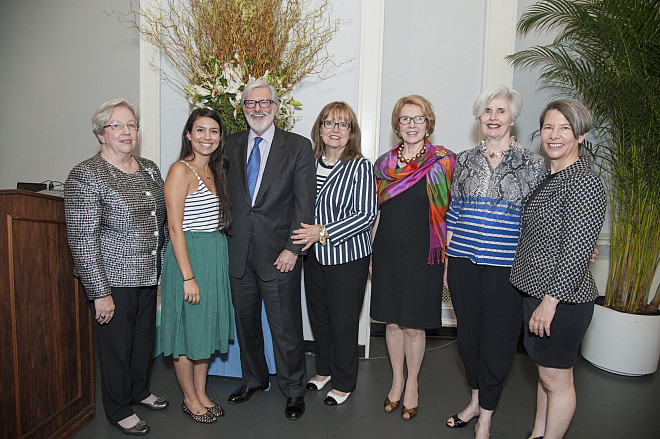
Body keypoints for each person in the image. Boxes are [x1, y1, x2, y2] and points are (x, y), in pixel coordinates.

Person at [443, 85, 545, 438]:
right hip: (463, 263)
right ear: (479, 117)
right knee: (469, 340)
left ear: (513, 118)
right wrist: (447, 260)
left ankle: (486, 415)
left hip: (507, 268)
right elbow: (454, 211)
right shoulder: (465, 160)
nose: (493, 117)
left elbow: (539, 219)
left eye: (500, 111)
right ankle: (474, 400)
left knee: (498, 343)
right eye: (487, 111)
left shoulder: (532, 164)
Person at [64, 98, 169, 436]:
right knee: (115, 349)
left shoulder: (150, 168)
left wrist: (162, 268)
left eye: (131, 125)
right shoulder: (86, 174)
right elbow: (83, 240)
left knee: (142, 342)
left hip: (147, 274)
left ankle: (139, 391)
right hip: (112, 280)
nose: (127, 132)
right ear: (100, 134)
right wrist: (100, 293)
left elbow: (161, 223)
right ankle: (118, 409)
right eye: (117, 126)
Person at [510, 99, 606, 439]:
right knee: (545, 374)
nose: (554, 135)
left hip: (561, 301)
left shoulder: (583, 182)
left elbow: (576, 251)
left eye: (565, 128)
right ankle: (538, 433)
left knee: (557, 378)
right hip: (537, 293)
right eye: (549, 127)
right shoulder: (552, 177)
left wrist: (550, 302)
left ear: (580, 135)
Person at [224, 78, 315, 420]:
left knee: (286, 328)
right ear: (243, 108)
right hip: (238, 253)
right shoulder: (229, 145)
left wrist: (294, 248)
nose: (257, 109)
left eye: (264, 103)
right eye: (250, 103)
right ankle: (253, 379)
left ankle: (293, 390)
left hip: (281, 255)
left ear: (276, 108)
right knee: (246, 325)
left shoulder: (297, 146)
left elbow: (305, 204)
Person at [371, 95, 455, 420]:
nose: (411, 125)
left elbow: (451, 213)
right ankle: (396, 381)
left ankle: (412, 386)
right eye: (405, 119)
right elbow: (377, 213)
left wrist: (448, 257)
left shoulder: (444, 162)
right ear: (397, 125)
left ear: (428, 123)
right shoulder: (382, 165)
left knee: (414, 325)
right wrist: (371, 255)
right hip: (388, 250)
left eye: (418, 118)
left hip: (426, 253)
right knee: (392, 321)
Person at [291, 102, 377, 406]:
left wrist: (322, 232)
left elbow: (366, 215)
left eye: (343, 125)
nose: (335, 130)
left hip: (347, 257)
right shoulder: (308, 163)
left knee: (342, 321)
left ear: (351, 131)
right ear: (319, 129)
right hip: (312, 256)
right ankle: (324, 369)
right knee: (319, 317)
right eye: (329, 123)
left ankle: (344, 381)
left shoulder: (360, 166)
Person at [160, 108, 234, 423]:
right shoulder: (180, 170)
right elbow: (175, 228)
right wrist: (188, 277)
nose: (207, 137)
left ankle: (202, 392)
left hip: (214, 253)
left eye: (214, 131)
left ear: (220, 138)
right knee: (186, 332)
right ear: (189, 134)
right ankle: (190, 399)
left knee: (205, 330)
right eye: (200, 130)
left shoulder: (216, 171)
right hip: (188, 256)